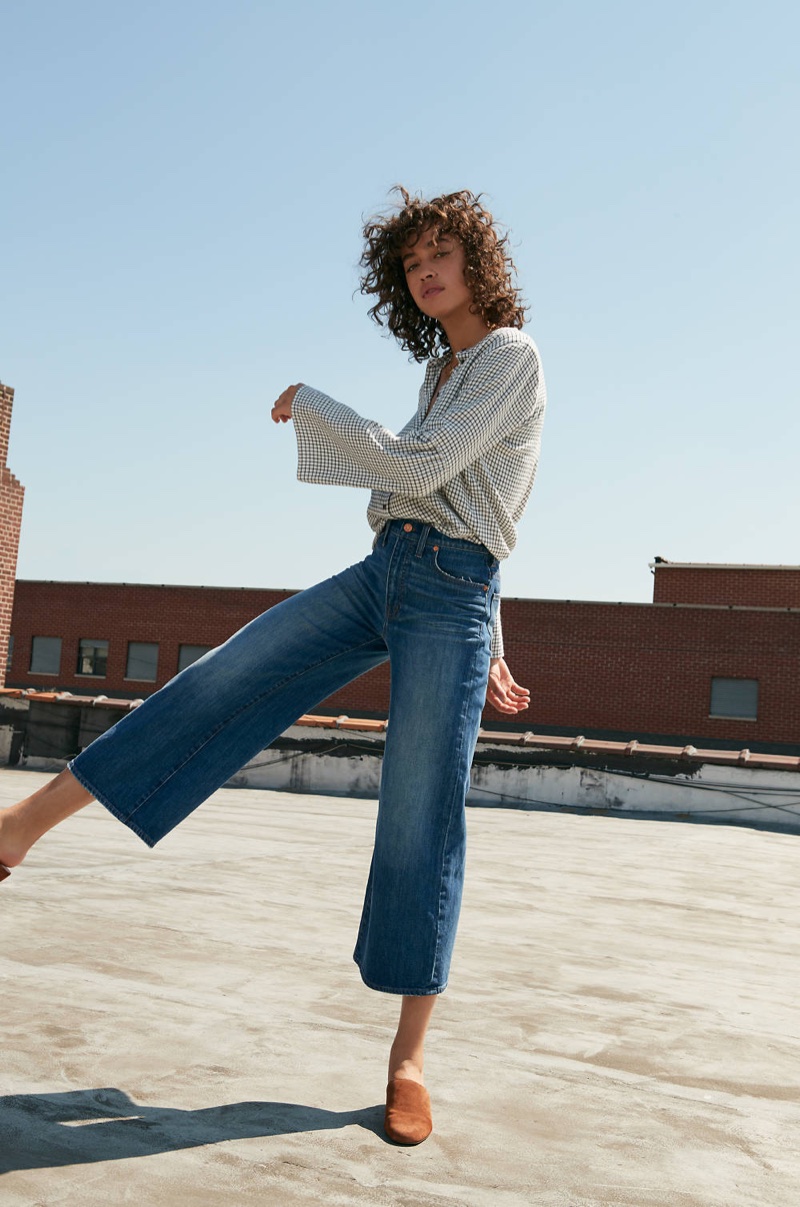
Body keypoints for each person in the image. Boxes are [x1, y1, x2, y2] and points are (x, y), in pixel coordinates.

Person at [0, 187, 546, 1146]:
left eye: (441, 253)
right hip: (388, 570)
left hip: (453, 592)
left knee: (423, 808)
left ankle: (408, 1057)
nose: (426, 271)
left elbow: (432, 476)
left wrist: (318, 407)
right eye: (412, 261)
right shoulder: (442, 368)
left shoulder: (509, 356)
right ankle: (18, 826)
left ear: (478, 265)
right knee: (224, 676)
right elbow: (462, 488)